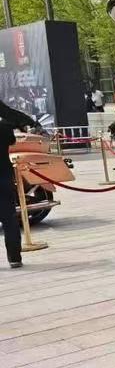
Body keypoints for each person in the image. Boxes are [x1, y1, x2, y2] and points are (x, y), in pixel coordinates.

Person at [0, 101, 35, 269]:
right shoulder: (4, 128)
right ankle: (14, 258)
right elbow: (12, 141)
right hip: (3, 178)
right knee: (9, 219)